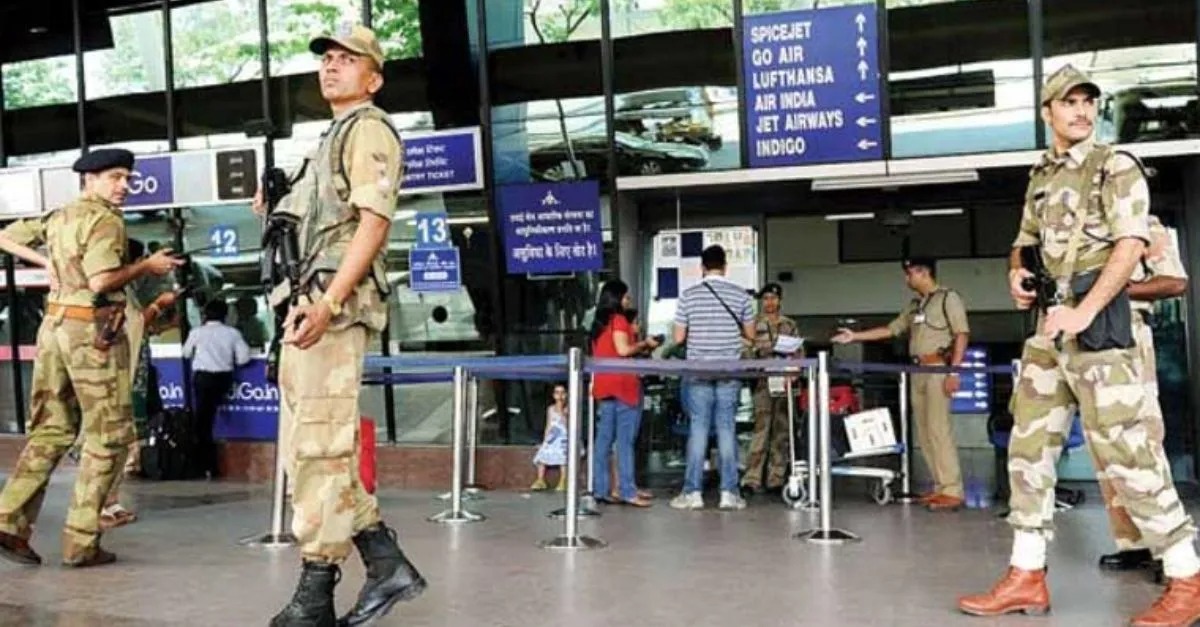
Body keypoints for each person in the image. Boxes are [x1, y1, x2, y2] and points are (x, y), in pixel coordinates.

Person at [957, 64, 1200, 625]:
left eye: (1089, 101)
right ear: (1048, 112)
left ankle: (1186, 577)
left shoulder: (1116, 165)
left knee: (1127, 453)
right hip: (1050, 330)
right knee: (1028, 451)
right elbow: (1023, 244)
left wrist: (1086, 309)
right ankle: (1026, 575)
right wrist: (1017, 275)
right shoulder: (1040, 175)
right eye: (1069, 102)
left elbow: (1131, 243)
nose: (1081, 111)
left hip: (1097, 327)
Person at [254, 23, 425, 627]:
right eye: (327, 58)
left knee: (320, 449)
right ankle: (384, 561)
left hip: (329, 311)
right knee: (317, 450)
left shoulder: (369, 128)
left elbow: (373, 224)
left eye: (348, 60)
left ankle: (316, 591)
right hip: (306, 310)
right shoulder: (330, 139)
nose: (332, 66)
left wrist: (329, 303)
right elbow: (319, 226)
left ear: (373, 78)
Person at [0, 148, 183, 568]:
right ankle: (81, 541)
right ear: (90, 180)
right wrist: (146, 266)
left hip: (55, 326)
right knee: (110, 435)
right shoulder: (105, 220)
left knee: (51, 429)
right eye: (114, 177)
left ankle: (9, 520)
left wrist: (46, 261)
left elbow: (4, 236)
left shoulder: (59, 216)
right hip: (93, 333)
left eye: (127, 179)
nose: (123, 187)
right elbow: (102, 280)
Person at [832, 257, 969, 512]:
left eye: (910, 274)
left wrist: (954, 371)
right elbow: (892, 329)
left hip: (939, 367)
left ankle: (953, 490)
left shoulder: (948, 298)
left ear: (924, 272)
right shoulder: (915, 305)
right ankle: (940, 486)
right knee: (925, 433)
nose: (907, 279)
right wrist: (855, 337)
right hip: (916, 370)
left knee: (939, 429)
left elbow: (961, 334)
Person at [669, 245, 754, 512]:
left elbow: (678, 339)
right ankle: (729, 492)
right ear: (725, 266)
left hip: (698, 371)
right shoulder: (741, 296)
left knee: (698, 429)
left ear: (702, 267)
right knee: (726, 427)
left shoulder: (689, 296)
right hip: (729, 370)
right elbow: (750, 336)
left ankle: (692, 493)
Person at [590, 280, 658, 508]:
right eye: (626, 297)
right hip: (623, 384)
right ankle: (628, 491)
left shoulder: (599, 323)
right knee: (625, 441)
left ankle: (603, 489)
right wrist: (644, 344)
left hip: (603, 383)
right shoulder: (619, 320)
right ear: (617, 298)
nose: (628, 301)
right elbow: (623, 351)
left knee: (604, 440)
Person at [742, 283, 801, 495]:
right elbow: (745, 352)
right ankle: (752, 478)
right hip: (762, 382)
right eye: (766, 298)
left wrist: (793, 374)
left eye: (773, 298)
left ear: (780, 300)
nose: (769, 303)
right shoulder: (753, 324)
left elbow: (798, 354)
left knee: (782, 431)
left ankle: (776, 477)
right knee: (761, 430)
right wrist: (759, 354)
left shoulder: (790, 325)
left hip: (784, 382)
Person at [182, 298, 251, 479]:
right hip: (223, 380)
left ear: (204, 315)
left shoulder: (197, 332)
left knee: (202, 424)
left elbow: (186, 353)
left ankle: (205, 466)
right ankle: (209, 466)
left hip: (203, 379)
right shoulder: (233, 333)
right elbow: (243, 359)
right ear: (225, 315)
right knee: (206, 421)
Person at [531, 384, 569, 492]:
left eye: (562, 393)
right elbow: (548, 425)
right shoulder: (550, 409)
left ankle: (563, 480)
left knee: (563, 455)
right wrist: (545, 439)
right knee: (543, 453)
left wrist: (562, 410)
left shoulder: (568, 409)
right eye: (557, 392)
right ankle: (540, 479)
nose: (560, 395)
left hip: (564, 437)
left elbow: (567, 423)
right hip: (552, 437)